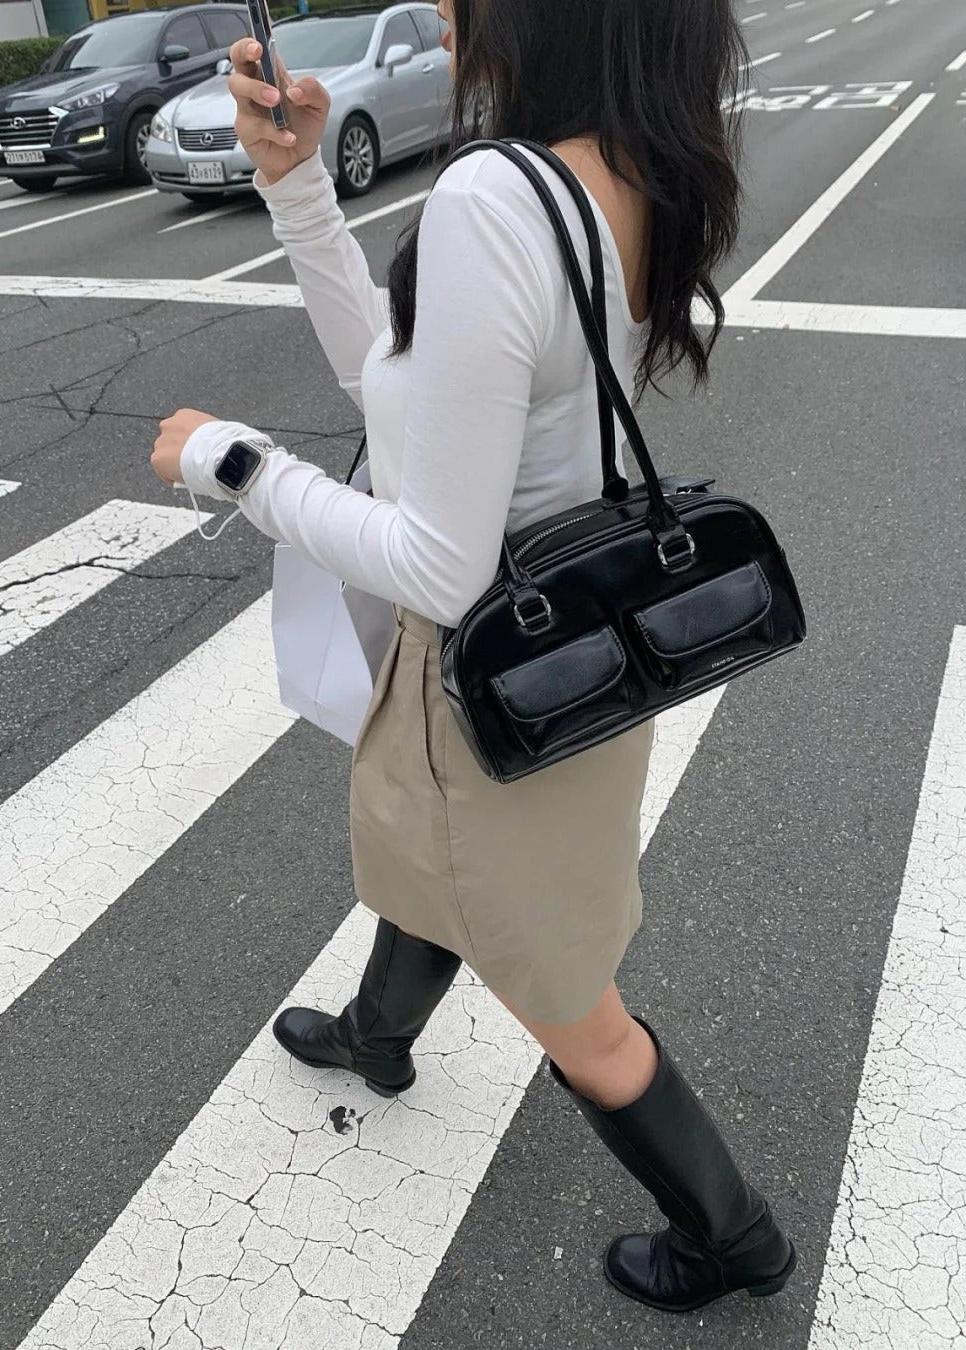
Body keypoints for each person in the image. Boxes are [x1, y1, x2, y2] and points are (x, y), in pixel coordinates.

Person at [150, 0, 797, 1315]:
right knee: (423, 851)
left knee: (569, 999)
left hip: (492, 669)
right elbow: (398, 388)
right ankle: (378, 1034)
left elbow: (438, 562)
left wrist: (233, 464)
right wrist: (298, 192)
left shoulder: (496, 196)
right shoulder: (623, 167)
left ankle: (735, 1238)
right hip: (569, 649)